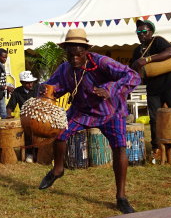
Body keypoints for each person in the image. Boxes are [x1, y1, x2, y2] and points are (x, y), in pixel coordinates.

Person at [37, 29, 141, 214]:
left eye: (79, 54)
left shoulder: (102, 62)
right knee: (60, 133)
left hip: (111, 111)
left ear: (86, 51)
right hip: (82, 110)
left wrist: (111, 88)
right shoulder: (64, 68)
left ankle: (121, 197)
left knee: (119, 148)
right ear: (66, 52)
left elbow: (132, 76)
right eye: (71, 54)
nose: (75, 59)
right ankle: (58, 170)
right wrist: (45, 91)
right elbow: (54, 87)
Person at [131, 20, 171, 160]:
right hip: (153, 88)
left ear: (151, 32)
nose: (141, 35)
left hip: (169, 85)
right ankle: (156, 148)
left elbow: (170, 52)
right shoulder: (137, 50)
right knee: (154, 119)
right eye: (138, 32)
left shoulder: (157, 41)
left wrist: (147, 60)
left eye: (144, 32)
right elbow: (134, 69)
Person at [6, 71, 39, 163]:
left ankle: (39, 152)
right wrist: (8, 115)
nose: (30, 84)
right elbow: (10, 106)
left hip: (39, 115)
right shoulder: (17, 92)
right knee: (27, 131)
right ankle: (29, 153)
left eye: (31, 82)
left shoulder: (38, 88)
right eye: (27, 83)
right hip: (25, 117)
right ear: (22, 83)